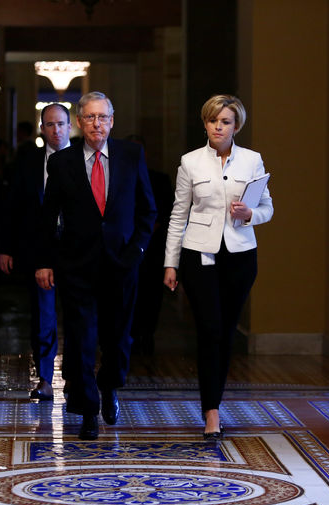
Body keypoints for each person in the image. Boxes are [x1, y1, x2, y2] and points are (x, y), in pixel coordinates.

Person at [35, 91, 157, 440]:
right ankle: (87, 410)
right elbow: (48, 217)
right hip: (77, 265)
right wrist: (45, 261)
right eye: (89, 117)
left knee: (118, 340)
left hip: (122, 263)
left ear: (112, 121)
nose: (96, 124)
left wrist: (137, 250)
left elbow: (148, 210)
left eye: (102, 117)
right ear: (79, 122)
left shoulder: (131, 156)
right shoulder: (62, 162)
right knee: (81, 339)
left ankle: (109, 387)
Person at [163, 95, 274, 441]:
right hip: (199, 257)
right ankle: (211, 411)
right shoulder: (191, 162)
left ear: (236, 126)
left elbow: (268, 208)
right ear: (205, 124)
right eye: (213, 121)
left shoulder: (253, 161)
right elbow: (178, 215)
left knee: (225, 333)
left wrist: (249, 215)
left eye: (225, 122)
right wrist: (171, 263)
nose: (218, 127)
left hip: (241, 257)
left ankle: (216, 402)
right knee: (210, 330)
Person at [0, 103, 71, 401]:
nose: (56, 130)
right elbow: (10, 207)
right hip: (39, 248)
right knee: (43, 315)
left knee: (79, 316)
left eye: (61, 124)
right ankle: (44, 378)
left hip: (76, 250)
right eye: (50, 124)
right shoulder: (27, 162)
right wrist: (4, 247)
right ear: (42, 129)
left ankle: (75, 378)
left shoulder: (84, 159)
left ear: (70, 126)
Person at [125, 134, 174, 357]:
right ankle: (131, 334)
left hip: (153, 247)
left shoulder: (160, 179)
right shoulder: (119, 178)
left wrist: (150, 227)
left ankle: (147, 335)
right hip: (126, 246)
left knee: (152, 294)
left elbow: (169, 212)